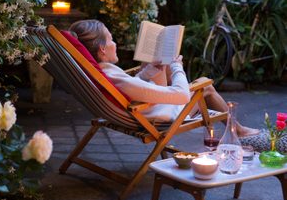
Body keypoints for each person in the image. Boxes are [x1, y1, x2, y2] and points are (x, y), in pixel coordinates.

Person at [69, 19, 259, 137]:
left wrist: (150, 70)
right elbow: (182, 95)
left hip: (142, 111)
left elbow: (132, 88)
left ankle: (237, 129)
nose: (115, 43)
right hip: (159, 117)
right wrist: (177, 66)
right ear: (102, 48)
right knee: (206, 87)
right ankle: (238, 131)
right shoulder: (113, 77)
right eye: (111, 39)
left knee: (161, 62)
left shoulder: (102, 74)